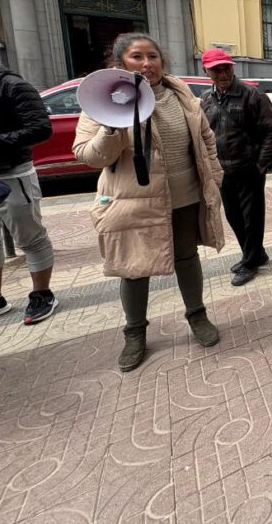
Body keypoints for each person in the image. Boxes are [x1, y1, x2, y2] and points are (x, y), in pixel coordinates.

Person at [73, 33, 225, 372]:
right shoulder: (104, 102)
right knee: (134, 269)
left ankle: (197, 315)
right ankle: (135, 333)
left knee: (187, 258)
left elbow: (206, 141)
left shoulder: (182, 97)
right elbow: (89, 156)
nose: (146, 64)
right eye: (137, 57)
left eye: (152, 56)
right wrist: (113, 125)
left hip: (185, 197)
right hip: (134, 202)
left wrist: (214, 178)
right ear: (119, 64)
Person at [0, 30, 57, 326]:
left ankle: (42, 293)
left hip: (11, 175)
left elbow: (39, 129)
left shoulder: (11, 85)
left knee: (30, 237)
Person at [199, 49, 272, 286]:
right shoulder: (206, 99)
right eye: (216, 69)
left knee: (251, 218)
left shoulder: (251, 95)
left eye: (226, 67)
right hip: (222, 171)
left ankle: (250, 262)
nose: (223, 73)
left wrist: (261, 164)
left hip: (249, 169)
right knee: (234, 216)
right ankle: (256, 253)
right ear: (205, 71)